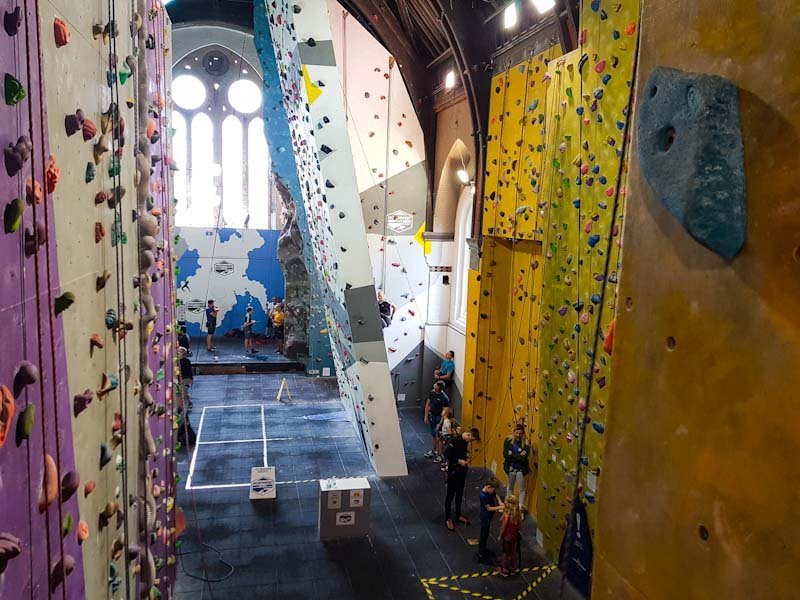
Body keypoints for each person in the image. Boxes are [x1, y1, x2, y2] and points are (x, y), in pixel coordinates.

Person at [443, 427, 481, 531]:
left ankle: (458, 514)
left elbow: (464, 452)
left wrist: (467, 457)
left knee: (459, 493)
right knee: (450, 495)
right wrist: (458, 461)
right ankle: (447, 517)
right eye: (472, 439)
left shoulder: (465, 442)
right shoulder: (454, 441)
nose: (471, 442)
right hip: (453, 471)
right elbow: (446, 454)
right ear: (468, 435)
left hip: (461, 472)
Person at [503, 424, 531, 507]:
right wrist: (518, 455)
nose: (518, 435)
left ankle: (520, 507)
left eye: (520, 433)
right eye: (517, 433)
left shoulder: (526, 444)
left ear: (523, 434)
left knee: (521, 490)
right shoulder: (508, 440)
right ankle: (509, 506)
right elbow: (505, 454)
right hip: (510, 468)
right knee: (510, 487)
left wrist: (512, 454)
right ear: (513, 432)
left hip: (521, 470)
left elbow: (523, 458)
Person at [478, 478, 505, 564]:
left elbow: (495, 494)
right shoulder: (483, 495)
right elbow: (489, 508)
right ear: (488, 487)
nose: (493, 491)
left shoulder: (491, 491)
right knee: (483, 534)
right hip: (485, 516)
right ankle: (481, 553)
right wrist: (500, 507)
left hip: (489, 516)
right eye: (492, 489)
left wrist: (500, 501)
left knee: (486, 533)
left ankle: (484, 548)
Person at [497, 494, 523, 575]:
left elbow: (503, 527)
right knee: (513, 552)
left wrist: (500, 535)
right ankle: (513, 567)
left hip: (507, 537)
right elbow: (519, 525)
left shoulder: (507, 515)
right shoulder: (518, 513)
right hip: (514, 536)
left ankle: (504, 569)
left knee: (505, 552)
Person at [423, 381, 449, 460]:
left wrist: (440, 423)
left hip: (439, 417)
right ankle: (433, 450)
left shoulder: (444, 398)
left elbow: (445, 412)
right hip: (432, 416)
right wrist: (426, 416)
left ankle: (440, 455)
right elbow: (428, 404)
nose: (434, 386)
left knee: (440, 436)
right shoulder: (432, 393)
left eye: (436, 386)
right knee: (433, 434)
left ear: (439, 388)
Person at [438, 407, 455, 472]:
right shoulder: (446, 421)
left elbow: (449, 432)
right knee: (447, 451)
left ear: (446, 413)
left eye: (443, 411)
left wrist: (454, 432)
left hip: (448, 438)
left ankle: (448, 466)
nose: (442, 411)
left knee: (448, 452)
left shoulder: (446, 422)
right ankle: (447, 463)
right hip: (446, 437)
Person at [177, 347, 193, 411]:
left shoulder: (187, 361)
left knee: (184, 392)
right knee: (182, 392)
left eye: (179, 352)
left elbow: (190, 370)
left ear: (183, 354)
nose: (177, 353)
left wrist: (191, 379)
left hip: (186, 378)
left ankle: (188, 403)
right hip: (180, 379)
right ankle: (189, 401)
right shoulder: (177, 361)